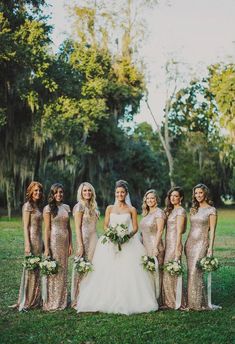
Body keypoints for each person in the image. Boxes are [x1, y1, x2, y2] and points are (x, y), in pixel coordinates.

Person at [77, 180, 158, 315]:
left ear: (126, 194)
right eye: (117, 192)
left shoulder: (131, 209)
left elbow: (135, 228)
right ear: (115, 194)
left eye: (122, 192)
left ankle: (131, 299)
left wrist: (126, 236)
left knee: (128, 271)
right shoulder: (109, 208)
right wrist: (112, 235)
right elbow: (105, 225)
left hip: (128, 244)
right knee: (107, 271)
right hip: (110, 242)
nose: (120, 194)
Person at [11, 181, 44, 311]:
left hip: (39, 240)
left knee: (36, 270)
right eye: (35, 190)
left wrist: (42, 243)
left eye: (39, 191)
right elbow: (25, 226)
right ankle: (26, 300)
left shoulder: (38, 206)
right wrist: (27, 244)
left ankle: (35, 298)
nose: (38, 193)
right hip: (31, 240)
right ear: (30, 192)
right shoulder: (27, 206)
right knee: (30, 270)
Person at [185, 183, 217, 310]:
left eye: (200, 193)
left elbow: (213, 230)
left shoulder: (211, 210)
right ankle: (192, 302)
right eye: (196, 193)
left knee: (196, 271)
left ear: (205, 194)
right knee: (190, 272)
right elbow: (191, 228)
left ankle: (197, 304)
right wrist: (185, 243)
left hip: (202, 243)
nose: (198, 195)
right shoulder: (193, 209)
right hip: (190, 243)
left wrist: (210, 247)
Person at [43, 183, 72, 311]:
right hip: (54, 241)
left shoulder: (66, 207)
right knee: (54, 269)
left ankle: (62, 299)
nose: (59, 195)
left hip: (65, 241)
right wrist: (47, 248)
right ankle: (52, 299)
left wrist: (71, 244)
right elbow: (47, 229)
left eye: (61, 192)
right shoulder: (48, 209)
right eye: (56, 192)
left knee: (63, 269)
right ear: (52, 194)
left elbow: (69, 228)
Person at [71, 182, 99, 308]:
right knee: (82, 268)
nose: (87, 193)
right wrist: (80, 244)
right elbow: (77, 227)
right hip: (84, 240)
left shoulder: (93, 207)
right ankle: (78, 297)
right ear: (81, 193)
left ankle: (90, 296)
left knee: (92, 267)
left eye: (89, 190)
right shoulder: (79, 207)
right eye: (85, 191)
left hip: (94, 240)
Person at [162, 186, 187, 309]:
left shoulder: (180, 211)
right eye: (171, 196)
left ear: (180, 198)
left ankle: (175, 301)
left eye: (176, 196)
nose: (173, 198)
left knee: (172, 270)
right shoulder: (171, 210)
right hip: (168, 243)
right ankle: (168, 300)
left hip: (174, 243)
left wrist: (178, 246)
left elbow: (179, 231)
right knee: (168, 271)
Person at [140, 189, 165, 304]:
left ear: (156, 200)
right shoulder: (146, 213)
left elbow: (160, 230)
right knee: (147, 272)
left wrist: (155, 247)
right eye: (148, 198)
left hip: (155, 245)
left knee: (156, 272)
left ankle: (158, 299)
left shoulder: (159, 213)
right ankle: (148, 297)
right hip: (145, 246)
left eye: (152, 198)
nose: (150, 200)